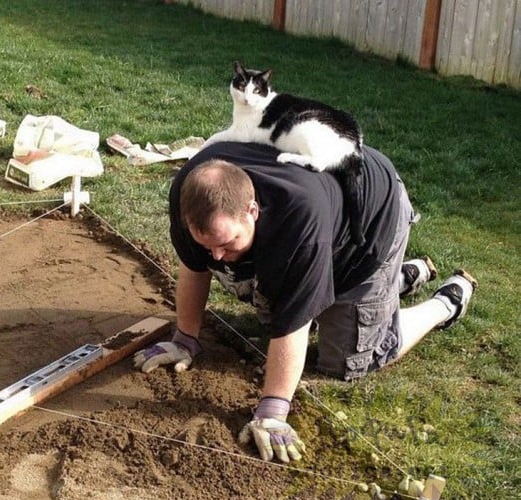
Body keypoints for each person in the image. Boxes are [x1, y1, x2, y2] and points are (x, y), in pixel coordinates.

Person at [133, 141, 477, 464]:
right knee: (267, 309)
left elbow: (293, 323)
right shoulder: (191, 198)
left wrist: (272, 411)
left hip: (367, 227)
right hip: (322, 214)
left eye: (227, 243)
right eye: (208, 245)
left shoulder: (299, 225)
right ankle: (402, 279)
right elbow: (195, 267)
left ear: (252, 211)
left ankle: (444, 303)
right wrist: (185, 339)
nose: (218, 256)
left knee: (350, 360)